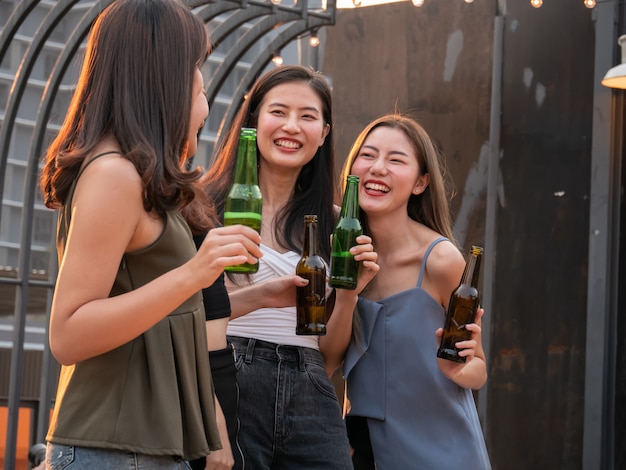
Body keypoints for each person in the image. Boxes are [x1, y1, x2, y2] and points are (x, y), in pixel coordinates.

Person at [38, 1, 262, 468]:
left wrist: (261, 297)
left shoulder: (130, 174)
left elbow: (157, 308)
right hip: (119, 449)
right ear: (163, 77)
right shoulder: (115, 175)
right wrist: (193, 273)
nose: (203, 100)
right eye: (196, 76)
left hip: (141, 447)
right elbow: (68, 333)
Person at [200, 65, 379, 469]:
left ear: (324, 133)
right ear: (254, 121)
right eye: (278, 112)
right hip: (227, 375)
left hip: (311, 386)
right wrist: (262, 296)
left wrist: (349, 293)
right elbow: (182, 316)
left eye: (308, 116)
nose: (292, 126)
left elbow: (329, 356)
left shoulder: (337, 222)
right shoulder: (204, 206)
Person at [333, 113, 492, 469]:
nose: (378, 167)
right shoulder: (340, 252)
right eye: (368, 155)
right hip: (364, 448)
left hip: (440, 451)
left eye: (395, 160)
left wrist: (457, 369)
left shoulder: (440, 260)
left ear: (420, 183)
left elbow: (478, 368)